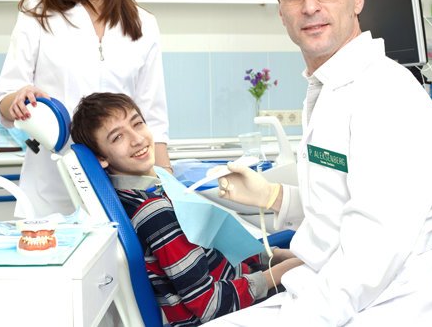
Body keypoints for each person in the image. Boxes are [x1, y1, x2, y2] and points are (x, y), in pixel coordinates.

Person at [206, 0, 432, 326]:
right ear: (281, 10)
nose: (310, 6)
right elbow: (338, 205)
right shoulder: (330, 89)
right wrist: (274, 197)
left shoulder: (385, 96)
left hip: (381, 311)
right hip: (326, 295)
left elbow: (370, 258)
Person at [70, 92, 303, 326]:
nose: (137, 139)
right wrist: (281, 272)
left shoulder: (154, 185)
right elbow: (210, 305)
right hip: (229, 309)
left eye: (137, 123)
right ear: (101, 157)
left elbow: (214, 243)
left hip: (239, 280)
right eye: (118, 137)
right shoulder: (154, 212)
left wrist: (274, 256)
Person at [0, 0, 171, 218]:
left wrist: (166, 185)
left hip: (121, 192)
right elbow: (6, 100)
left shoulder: (143, 23)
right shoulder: (38, 13)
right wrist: (17, 100)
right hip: (51, 190)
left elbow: (153, 116)